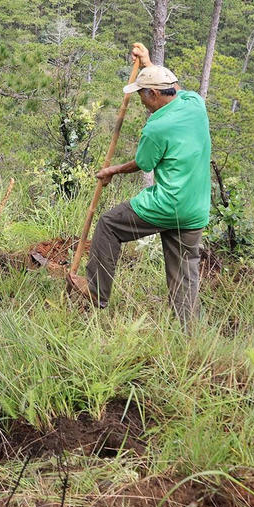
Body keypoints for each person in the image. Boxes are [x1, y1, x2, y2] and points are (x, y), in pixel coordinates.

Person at [83, 45, 212, 328]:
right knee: (184, 274)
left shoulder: (156, 126)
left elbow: (143, 163)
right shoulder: (194, 103)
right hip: (196, 209)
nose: (141, 100)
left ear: (153, 94)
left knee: (108, 225)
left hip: (167, 204)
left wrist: (112, 171)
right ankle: (192, 333)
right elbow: (171, 85)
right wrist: (148, 64)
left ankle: (96, 296)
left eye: (142, 94)